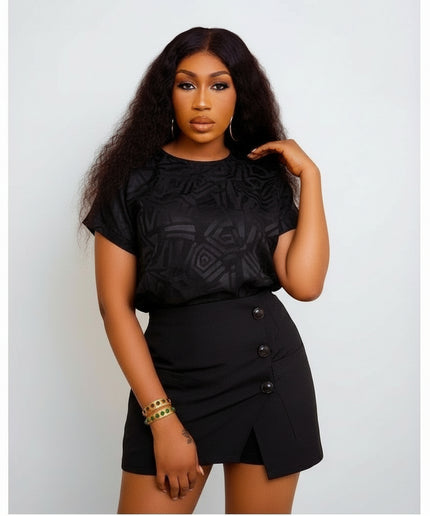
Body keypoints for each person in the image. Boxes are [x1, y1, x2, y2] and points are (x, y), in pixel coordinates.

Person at [80, 26, 329, 514]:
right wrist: (161, 419)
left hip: (269, 377)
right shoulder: (131, 181)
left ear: (240, 94)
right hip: (173, 386)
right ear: (166, 93)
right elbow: (115, 307)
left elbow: (305, 284)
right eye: (186, 84)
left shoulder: (264, 178)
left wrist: (311, 178)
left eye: (218, 85)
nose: (201, 101)